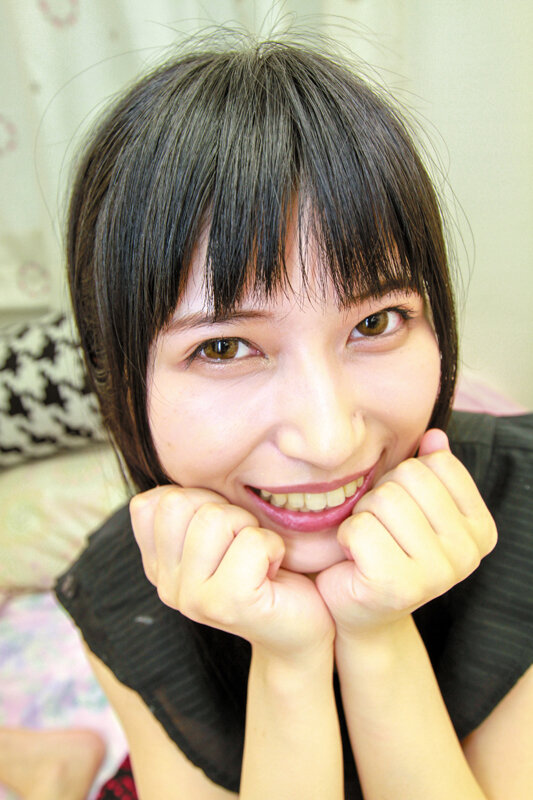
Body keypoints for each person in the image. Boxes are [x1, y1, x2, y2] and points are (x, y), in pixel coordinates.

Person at [55, 33, 533, 800]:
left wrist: (375, 635)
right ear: (117, 381)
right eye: (222, 347)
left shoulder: (525, 507)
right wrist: (289, 660)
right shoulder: (120, 589)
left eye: (374, 323)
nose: (328, 440)